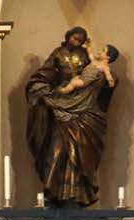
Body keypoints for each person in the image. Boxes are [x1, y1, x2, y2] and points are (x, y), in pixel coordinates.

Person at [25, 28, 119, 207]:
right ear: (68, 37)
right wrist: (41, 89)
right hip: (62, 110)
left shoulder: (87, 57)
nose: (77, 42)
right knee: (56, 151)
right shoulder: (58, 54)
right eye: (75, 38)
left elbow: (106, 79)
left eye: (80, 40)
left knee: (82, 153)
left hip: (86, 113)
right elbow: (44, 74)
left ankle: (78, 198)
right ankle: (53, 196)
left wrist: (106, 81)